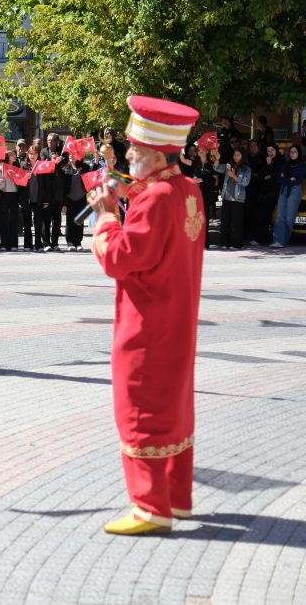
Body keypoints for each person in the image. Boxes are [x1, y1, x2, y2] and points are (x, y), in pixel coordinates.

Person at [85, 95, 204, 535]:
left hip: (147, 325)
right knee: (173, 406)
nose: (127, 154)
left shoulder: (155, 200)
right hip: (177, 322)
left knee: (141, 409)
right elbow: (158, 212)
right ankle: (176, 498)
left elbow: (118, 258)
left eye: (134, 149)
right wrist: (127, 195)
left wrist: (105, 217)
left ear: (155, 154)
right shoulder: (188, 190)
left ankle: (150, 507)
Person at [215, 148, 251, 249]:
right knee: (225, 221)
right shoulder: (228, 165)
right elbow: (216, 168)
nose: (236, 157)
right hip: (226, 196)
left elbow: (246, 182)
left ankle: (236, 244)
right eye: (235, 155)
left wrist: (234, 176)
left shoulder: (246, 169)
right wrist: (217, 159)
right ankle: (224, 243)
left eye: (238, 155)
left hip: (238, 198)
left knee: (236, 222)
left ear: (242, 156)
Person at [271, 145, 305, 248]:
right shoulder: (286, 164)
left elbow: (297, 180)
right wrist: (289, 179)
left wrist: (285, 178)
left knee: (289, 217)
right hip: (283, 190)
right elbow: (279, 179)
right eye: (291, 152)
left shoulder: (302, 165)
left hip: (295, 191)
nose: (293, 153)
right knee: (280, 215)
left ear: (298, 153)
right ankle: (278, 240)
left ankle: (283, 241)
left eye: (295, 151)